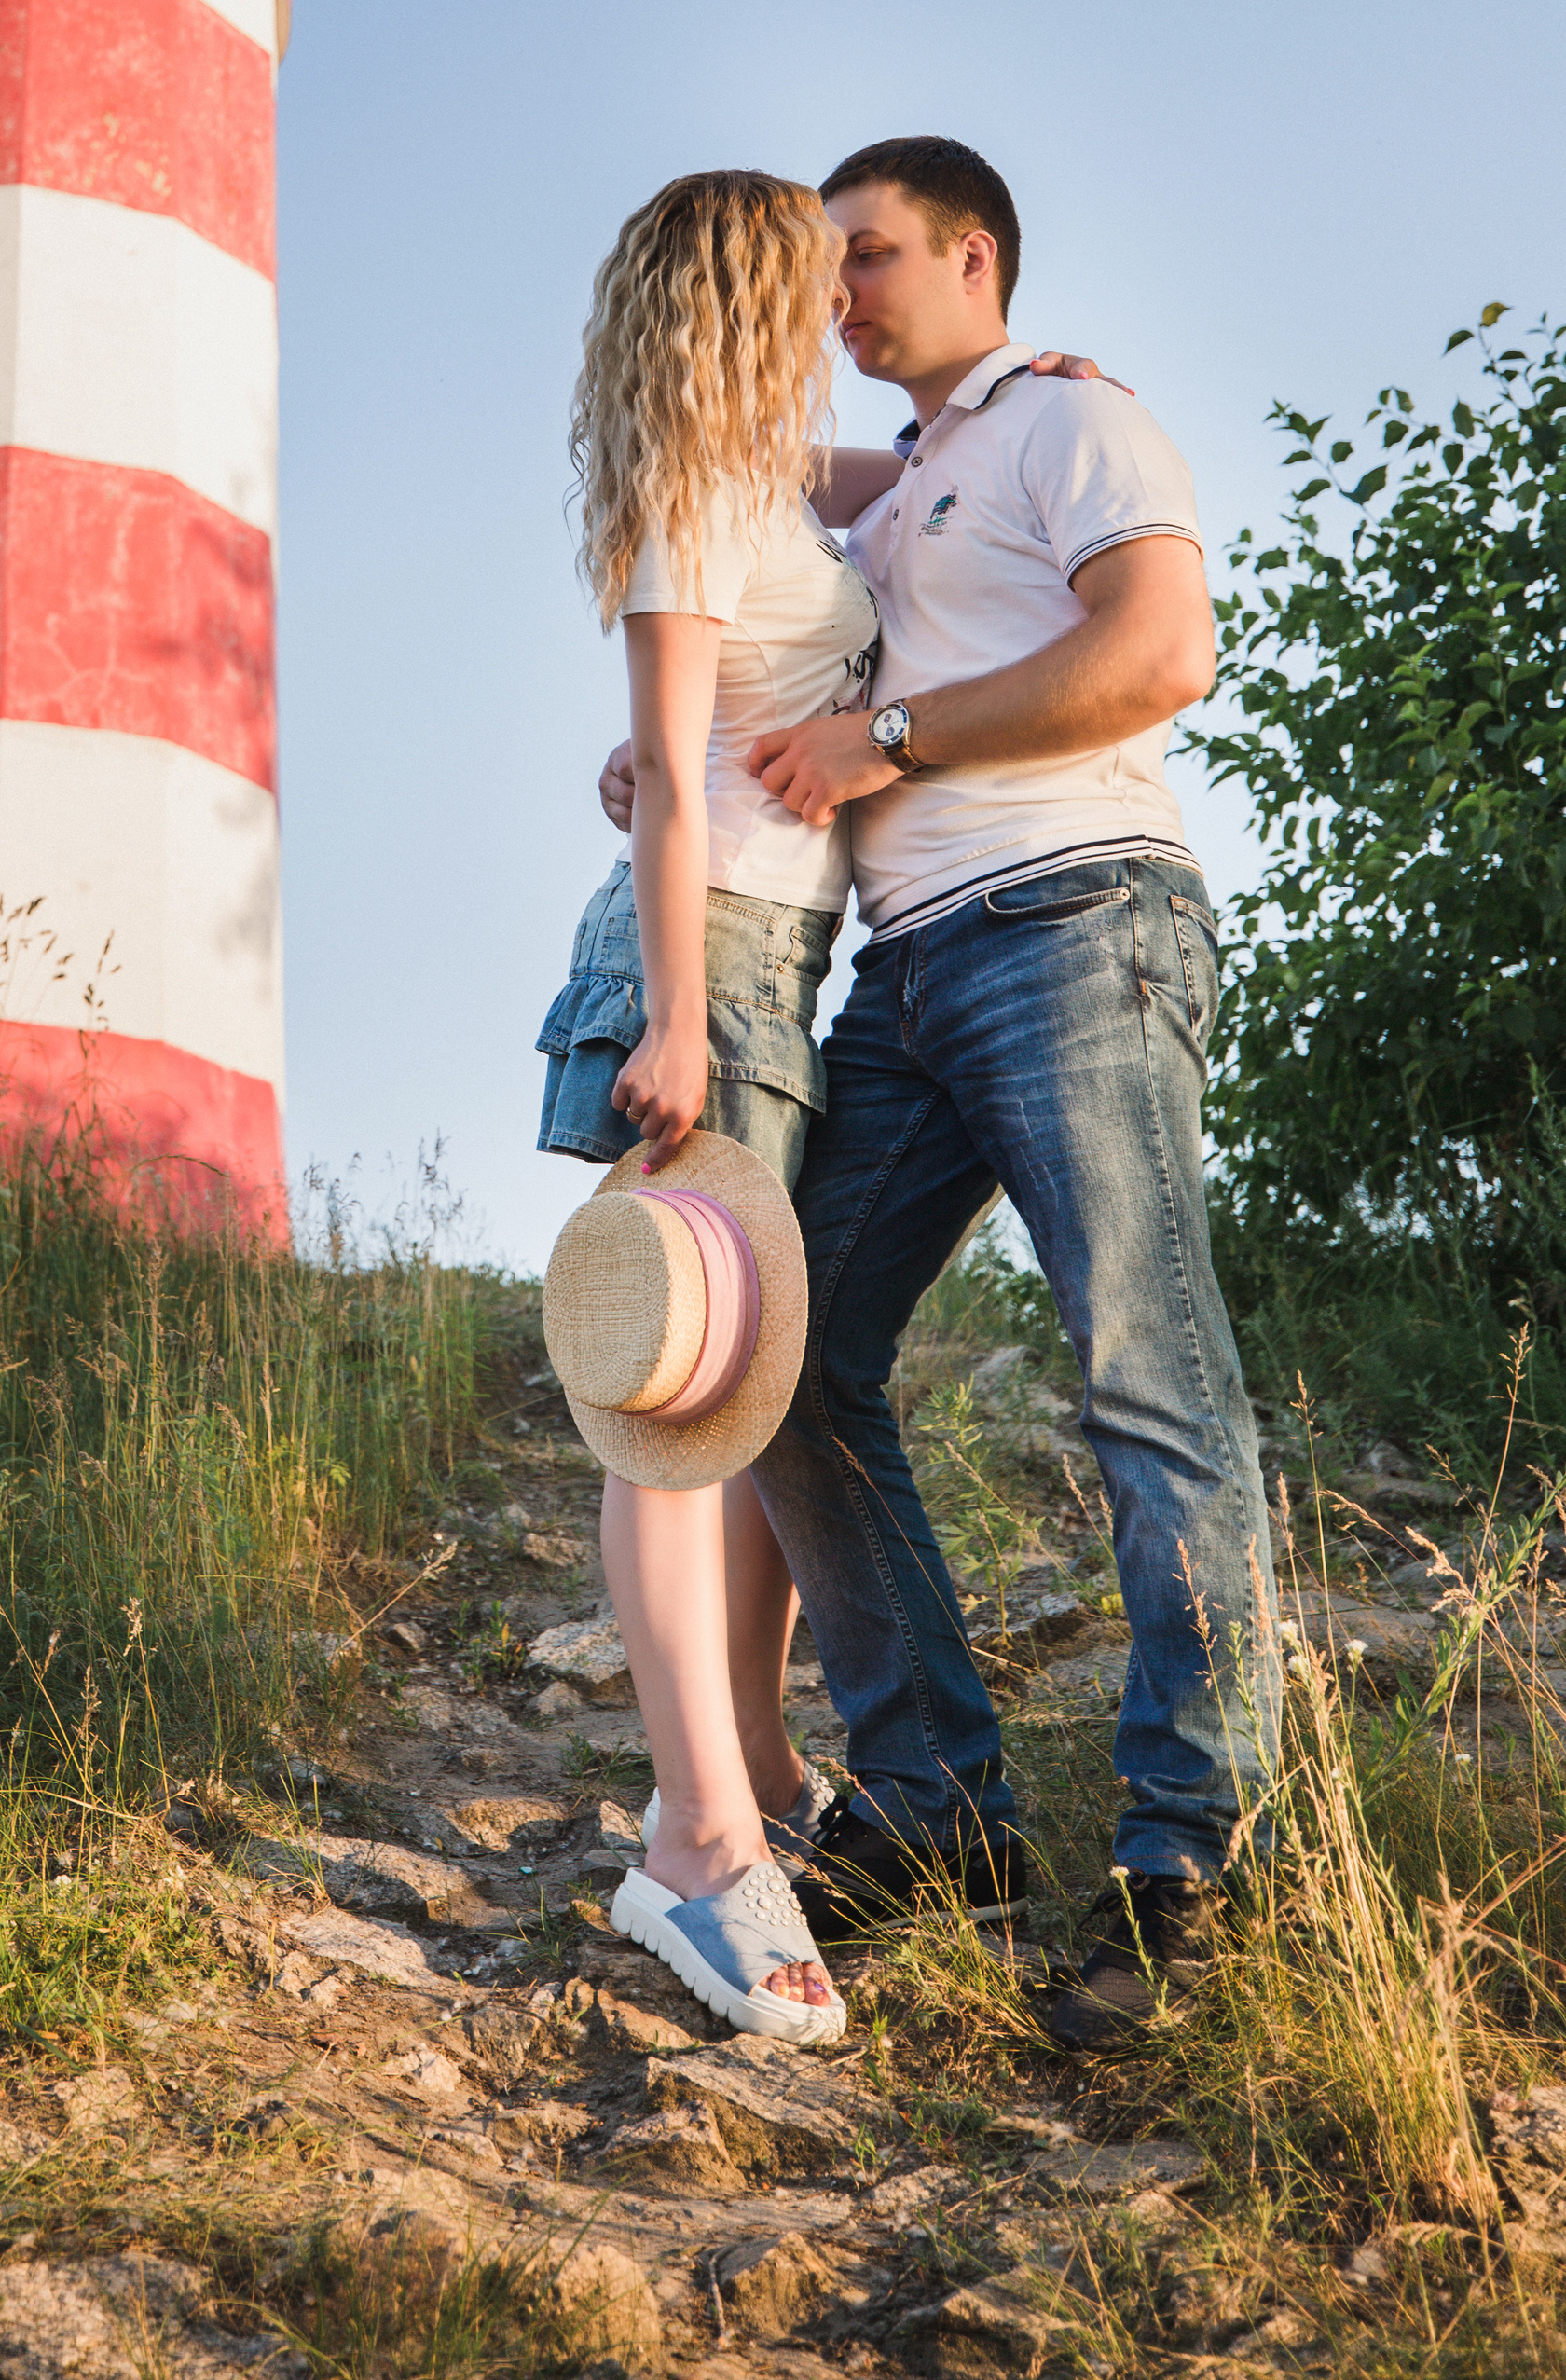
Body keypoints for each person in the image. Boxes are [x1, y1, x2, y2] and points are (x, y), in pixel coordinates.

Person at [599, 136, 1278, 2051]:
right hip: (900, 972)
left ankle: (1187, 1860)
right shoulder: (894, 491)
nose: (835, 291)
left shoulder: (1072, 426)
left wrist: (875, 732)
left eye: (868, 255)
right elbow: (726, 526)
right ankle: (936, 1810)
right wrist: (689, 757)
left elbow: (1159, 652)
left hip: (1074, 919)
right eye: (818, 266)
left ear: (973, 256)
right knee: (777, 1360)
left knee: (1143, 1369)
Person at [536, 168, 872, 2033]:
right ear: (747, 294)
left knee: (728, 1403)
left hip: (765, 960)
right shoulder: (690, 493)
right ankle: (690, 1847)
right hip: (705, 968)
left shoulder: (768, 489)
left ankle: (740, 1782)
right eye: (813, 279)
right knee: (673, 1414)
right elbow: (665, 773)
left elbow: (899, 494)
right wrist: (672, 1016)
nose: (839, 303)